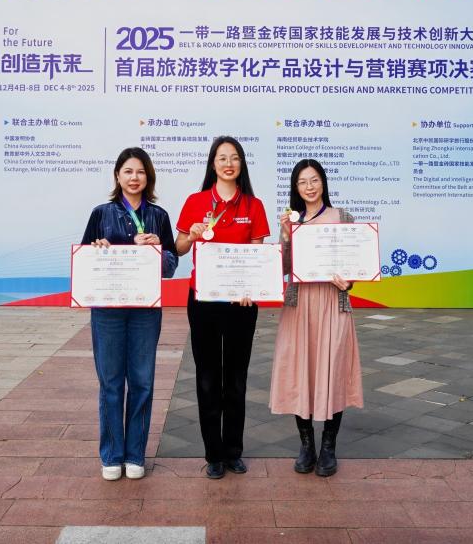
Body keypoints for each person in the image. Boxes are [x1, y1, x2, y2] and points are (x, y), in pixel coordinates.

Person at [81, 147, 178, 481]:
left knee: (142, 382)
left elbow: (170, 267)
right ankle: (111, 454)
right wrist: (98, 250)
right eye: (128, 171)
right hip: (107, 311)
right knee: (110, 383)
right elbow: (85, 260)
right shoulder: (101, 214)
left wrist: (156, 251)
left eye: (140, 172)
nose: (134, 178)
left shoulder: (159, 216)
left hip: (144, 310)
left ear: (148, 177)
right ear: (117, 176)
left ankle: (135, 454)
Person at [175, 136, 270, 479]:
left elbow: (258, 254)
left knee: (236, 378)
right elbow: (179, 248)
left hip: (240, 303)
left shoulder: (253, 205)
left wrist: (250, 289)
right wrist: (192, 234)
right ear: (212, 164)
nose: (228, 164)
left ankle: (233, 451)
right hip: (203, 301)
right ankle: (213, 453)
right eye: (222, 158)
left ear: (241, 164)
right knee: (207, 377)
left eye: (234, 158)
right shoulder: (196, 201)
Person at [270, 159, 363, 477]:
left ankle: (328, 447)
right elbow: (283, 268)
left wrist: (349, 282)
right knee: (301, 373)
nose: (309, 187)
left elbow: (356, 263)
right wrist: (286, 236)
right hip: (300, 307)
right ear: (295, 188)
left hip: (332, 305)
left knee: (333, 371)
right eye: (302, 182)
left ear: (323, 182)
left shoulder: (343, 217)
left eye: (314, 180)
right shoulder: (292, 222)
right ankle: (306, 445)